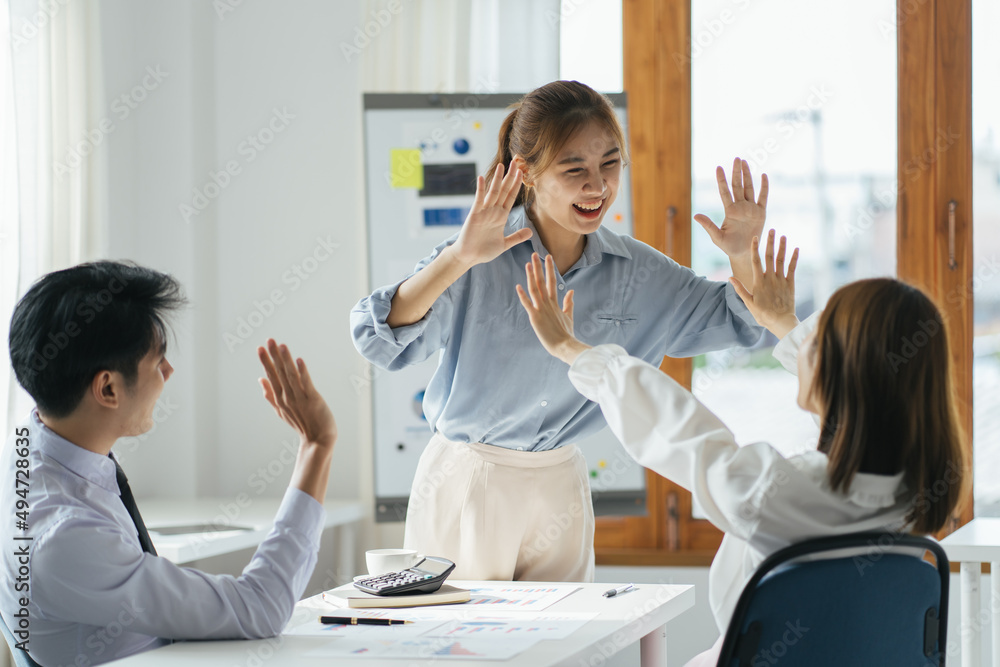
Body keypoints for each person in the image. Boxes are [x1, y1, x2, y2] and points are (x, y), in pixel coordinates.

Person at [351, 79, 771, 582]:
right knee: (466, 650)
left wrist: (742, 253)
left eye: (609, 164)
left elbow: (743, 321)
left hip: (560, 482)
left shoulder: (638, 272)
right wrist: (459, 257)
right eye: (575, 170)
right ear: (526, 173)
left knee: (564, 646)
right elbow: (377, 337)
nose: (597, 186)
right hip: (467, 477)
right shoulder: (477, 252)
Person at [516, 231, 968, 665]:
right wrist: (782, 323)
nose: (805, 348)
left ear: (838, 371)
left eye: (818, 340)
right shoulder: (911, 498)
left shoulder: (778, 493)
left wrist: (574, 350)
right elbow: (868, 406)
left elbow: (683, 433)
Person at [1, 261, 338, 667]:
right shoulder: (66, 536)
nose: (169, 372)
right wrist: (317, 445)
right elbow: (260, 608)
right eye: (158, 361)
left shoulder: (28, 448)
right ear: (107, 387)